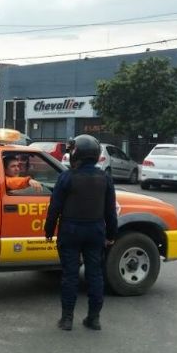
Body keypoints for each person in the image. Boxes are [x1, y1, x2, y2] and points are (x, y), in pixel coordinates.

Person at [44, 135, 117, 331]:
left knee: (70, 275)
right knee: (95, 275)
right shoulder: (105, 178)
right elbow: (110, 211)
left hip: (70, 231)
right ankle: (94, 319)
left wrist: (49, 230)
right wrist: (111, 235)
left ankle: (67, 319)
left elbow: (55, 208)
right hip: (95, 232)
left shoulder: (67, 177)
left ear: (76, 154)